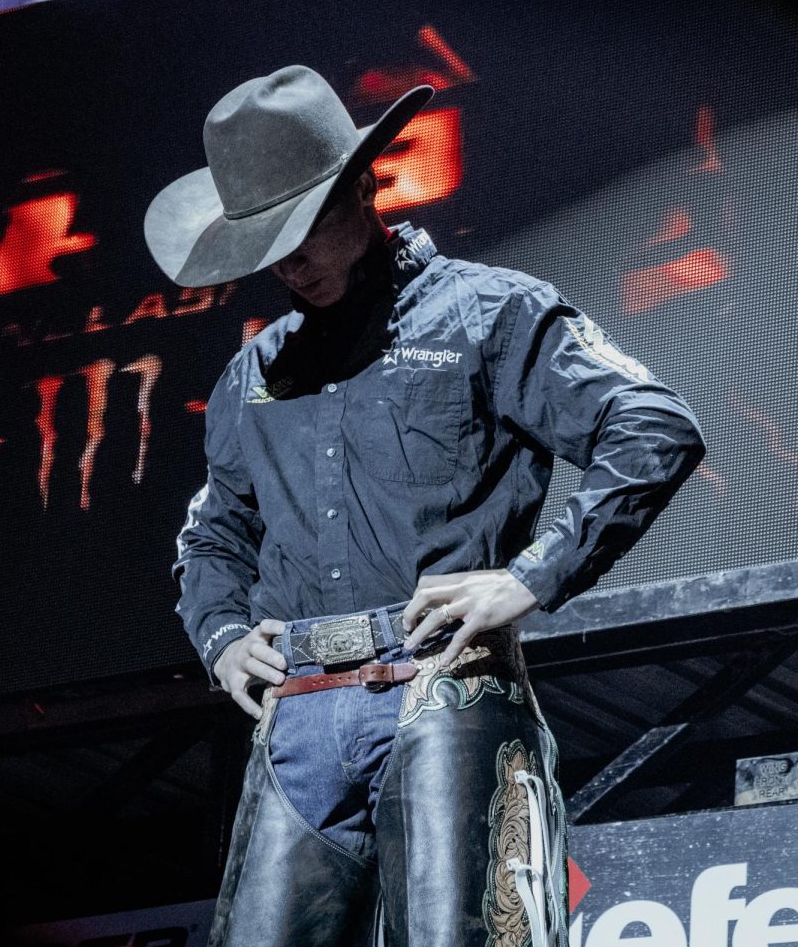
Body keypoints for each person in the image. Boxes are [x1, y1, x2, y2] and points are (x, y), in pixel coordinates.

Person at [144, 64, 706, 947]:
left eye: (305, 227)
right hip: (296, 712)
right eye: (267, 243)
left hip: (445, 688)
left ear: (364, 185)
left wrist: (529, 579)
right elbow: (215, 532)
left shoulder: (487, 313)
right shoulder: (250, 376)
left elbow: (652, 427)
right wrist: (218, 637)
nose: (288, 261)